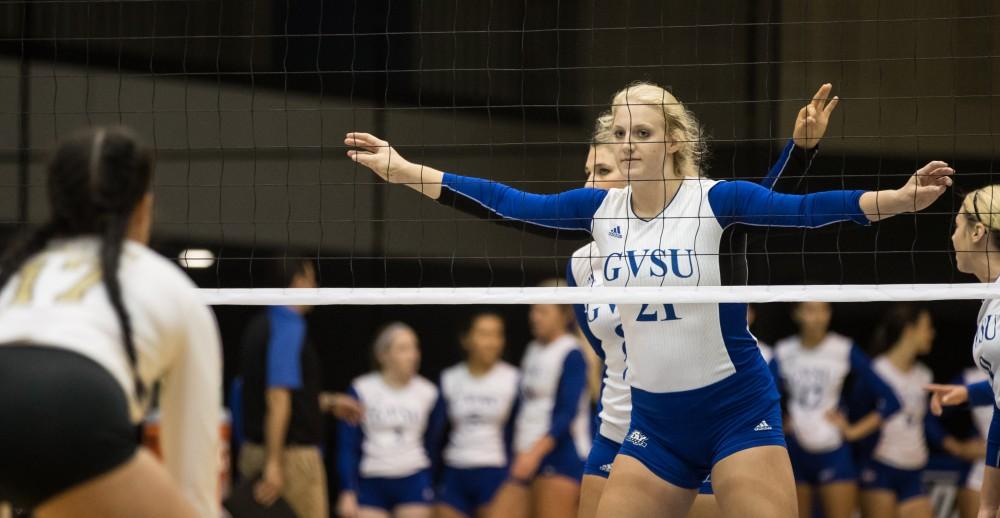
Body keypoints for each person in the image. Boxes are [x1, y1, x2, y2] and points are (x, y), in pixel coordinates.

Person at [345, 80, 953, 518]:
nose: (628, 143)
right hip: (654, 425)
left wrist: (898, 200)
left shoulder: (714, 200)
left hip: (735, 411)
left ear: (674, 140)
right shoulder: (598, 214)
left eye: (642, 132)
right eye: (620, 133)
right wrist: (404, 170)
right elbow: (507, 203)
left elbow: (804, 211)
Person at [568, 84, 837, 518]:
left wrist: (800, 153)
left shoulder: (690, 220)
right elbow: (605, 352)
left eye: (600, 171)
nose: (589, 182)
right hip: (621, 423)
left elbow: (758, 213)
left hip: (698, 414)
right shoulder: (581, 265)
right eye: (588, 171)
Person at [0, 126, 221, 517]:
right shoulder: (168, 285)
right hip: (71, 410)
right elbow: (194, 476)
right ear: (143, 208)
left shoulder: (19, 271)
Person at [770, 302, 901, 518]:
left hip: (833, 451)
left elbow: (891, 400)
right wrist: (779, 424)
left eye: (824, 310)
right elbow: (761, 398)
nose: (818, 317)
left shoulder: (842, 348)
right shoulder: (784, 351)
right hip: (795, 451)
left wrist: (853, 431)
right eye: (810, 310)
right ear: (797, 314)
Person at [925, 184, 1000, 518]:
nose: (953, 237)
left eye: (957, 226)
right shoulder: (990, 301)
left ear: (977, 231)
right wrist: (971, 394)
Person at [488, 282, 590, 518]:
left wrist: (535, 454)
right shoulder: (532, 349)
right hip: (525, 454)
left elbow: (567, 412)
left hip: (560, 455)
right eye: (533, 310)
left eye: (543, 311)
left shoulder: (571, 352)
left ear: (565, 315)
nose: (534, 317)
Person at [238, 258, 328, 518]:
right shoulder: (288, 324)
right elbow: (277, 397)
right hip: (288, 457)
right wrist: (274, 464)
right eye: (312, 279)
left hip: (254, 452)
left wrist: (329, 402)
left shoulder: (259, 324)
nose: (316, 287)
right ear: (298, 282)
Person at [338, 323, 446, 518]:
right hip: (372, 478)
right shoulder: (362, 389)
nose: (412, 355)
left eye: (415, 347)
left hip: (413, 477)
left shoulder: (428, 392)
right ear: (382, 355)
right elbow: (348, 444)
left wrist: (430, 482)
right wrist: (348, 489)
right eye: (403, 349)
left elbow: (435, 441)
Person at [856, 304, 939, 518]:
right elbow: (856, 411)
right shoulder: (877, 371)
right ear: (909, 330)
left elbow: (926, 422)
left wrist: (955, 446)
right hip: (881, 466)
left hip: (914, 468)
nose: (932, 333)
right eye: (927, 327)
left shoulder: (925, 375)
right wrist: (850, 431)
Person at [436, 312, 520, 518]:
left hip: (495, 470)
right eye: (483, 334)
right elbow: (434, 434)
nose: (491, 342)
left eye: (497, 334)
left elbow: (519, 430)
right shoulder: (450, 378)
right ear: (466, 340)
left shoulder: (513, 379)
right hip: (455, 469)